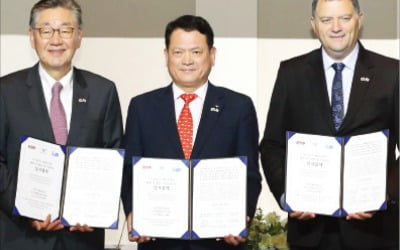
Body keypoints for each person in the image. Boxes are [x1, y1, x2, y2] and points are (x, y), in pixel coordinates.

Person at [259, 0, 399, 249]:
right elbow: (272, 144)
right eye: (326, 20)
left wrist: (383, 195)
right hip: (309, 233)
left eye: (344, 18)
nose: (336, 27)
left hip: (374, 233)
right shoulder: (291, 73)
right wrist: (287, 195)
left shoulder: (392, 73)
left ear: (360, 19)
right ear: (313, 25)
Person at [121, 15, 262, 250]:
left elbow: (250, 174)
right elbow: (129, 170)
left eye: (196, 52)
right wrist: (134, 212)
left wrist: (241, 218)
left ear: (212, 55)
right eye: (178, 52)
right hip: (158, 241)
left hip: (218, 242)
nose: (187, 60)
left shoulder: (238, 107)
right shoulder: (142, 107)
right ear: (166, 56)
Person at [0, 0, 123, 249]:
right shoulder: (5, 91)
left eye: (65, 30)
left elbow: (114, 158)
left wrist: (95, 210)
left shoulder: (103, 91)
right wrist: (25, 209)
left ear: (78, 37)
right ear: (32, 37)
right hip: (21, 237)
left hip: (82, 239)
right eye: (46, 30)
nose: (56, 40)